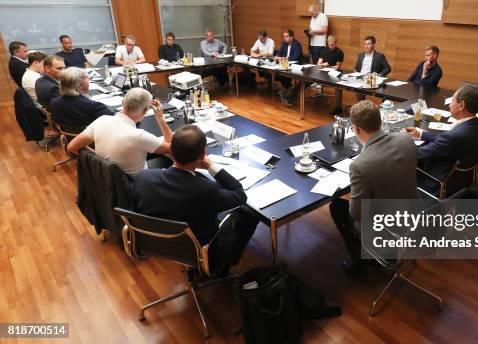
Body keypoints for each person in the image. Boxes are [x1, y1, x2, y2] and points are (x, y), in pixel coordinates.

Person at [132, 125, 259, 272]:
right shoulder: (205, 189)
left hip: (157, 242)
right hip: (199, 248)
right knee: (248, 214)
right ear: (202, 155)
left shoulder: (143, 177)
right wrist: (212, 166)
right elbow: (239, 195)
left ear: (171, 150)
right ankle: (222, 265)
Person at [330, 100, 418, 274]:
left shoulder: (359, 165)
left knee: (337, 207)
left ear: (356, 130)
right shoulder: (407, 140)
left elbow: (356, 214)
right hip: (412, 212)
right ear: (381, 121)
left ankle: (364, 261)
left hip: (387, 226)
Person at [67, 88, 172, 176]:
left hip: (108, 181)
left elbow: (72, 147)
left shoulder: (101, 120)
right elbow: (172, 149)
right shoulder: (139, 136)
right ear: (145, 110)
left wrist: (99, 161)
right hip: (136, 184)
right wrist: (160, 119)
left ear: (122, 102)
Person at [405, 86, 478, 195]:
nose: (449, 105)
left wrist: (401, 140)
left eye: (452, 101)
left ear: (461, 105)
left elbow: (418, 154)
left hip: (435, 182)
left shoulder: (453, 137)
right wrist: (421, 134)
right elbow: (448, 140)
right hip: (462, 181)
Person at [275, 29, 304, 106]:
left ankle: (288, 90)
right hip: (286, 64)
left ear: (291, 37)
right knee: (277, 73)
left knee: (286, 74)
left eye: (286, 37)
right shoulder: (284, 44)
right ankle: (288, 88)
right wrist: (277, 56)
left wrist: (284, 59)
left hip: (296, 66)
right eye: (284, 37)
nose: (285, 38)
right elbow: (279, 52)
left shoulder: (297, 44)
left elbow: (295, 57)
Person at [317, 35, 345, 115]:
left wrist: (327, 65)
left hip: (333, 74)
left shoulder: (339, 52)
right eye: (329, 45)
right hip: (322, 73)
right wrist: (322, 65)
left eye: (332, 45)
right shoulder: (324, 50)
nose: (330, 46)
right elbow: (318, 63)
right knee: (306, 79)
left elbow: (337, 66)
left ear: (335, 43)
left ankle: (338, 107)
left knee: (338, 85)